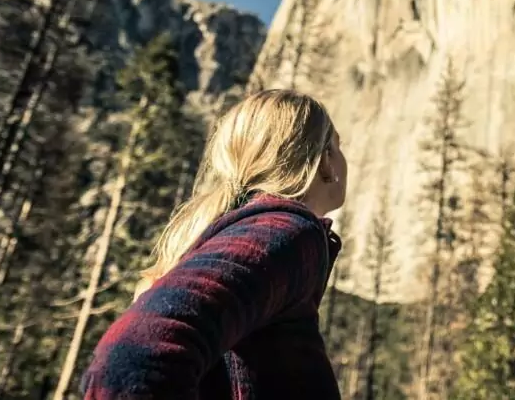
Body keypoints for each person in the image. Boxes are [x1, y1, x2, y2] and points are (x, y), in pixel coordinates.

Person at [80, 89, 347, 399]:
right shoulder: (287, 231)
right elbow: (131, 360)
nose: (344, 159)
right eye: (338, 146)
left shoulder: (254, 229)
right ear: (325, 161)